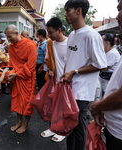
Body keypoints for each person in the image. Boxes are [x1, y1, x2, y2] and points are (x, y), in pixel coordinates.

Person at [61, 0, 107, 149]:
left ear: (78, 11)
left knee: (79, 130)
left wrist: (75, 72)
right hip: (69, 90)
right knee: (68, 129)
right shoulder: (72, 36)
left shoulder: (91, 35)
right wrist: (64, 76)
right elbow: (70, 60)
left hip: (81, 93)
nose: (65, 14)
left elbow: (101, 64)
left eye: (68, 10)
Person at [91, 1, 122, 149]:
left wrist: (97, 106)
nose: (117, 15)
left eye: (121, 9)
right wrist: (103, 107)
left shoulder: (113, 53)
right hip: (113, 125)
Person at [5, 24, 37, 133]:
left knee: (28, 102)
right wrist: (7, 73)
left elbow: (31, 66)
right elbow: (11, 63)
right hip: (17, 78)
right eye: (7, 37)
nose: (9, 40)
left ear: (16, 33)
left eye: (10, 37)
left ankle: (25, 123)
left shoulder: (30, 45)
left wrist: (17, 73)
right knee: (17, 101)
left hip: (27, 78)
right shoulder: (11, 47)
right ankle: (19, 121)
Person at [40, 17, 68, 142]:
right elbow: (49, 61)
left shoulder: (70, 44)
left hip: (67, 81)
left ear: (59, 30)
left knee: (64, 108)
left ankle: (62, 130)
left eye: (51, 32)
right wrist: (50, 69)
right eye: (48, 33)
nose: (49, 35)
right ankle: (53, 128)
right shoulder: (50, 43)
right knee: (53, 106)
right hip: (55, 79)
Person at [97, 33, 120, 99]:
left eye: (101, 41)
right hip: (104, 81)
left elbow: (104, 68)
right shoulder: (108, 52)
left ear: (107, 42)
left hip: (107, 81)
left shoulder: (112, 53)